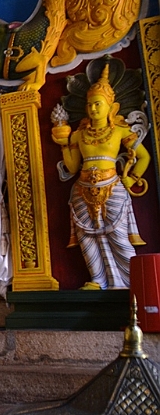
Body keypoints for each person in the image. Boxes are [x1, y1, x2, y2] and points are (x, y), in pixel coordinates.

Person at [51, 64, 150, 289]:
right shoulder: (78, 134)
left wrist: (132, 179)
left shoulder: (120, 131)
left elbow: (143, 157)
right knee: (87, 236)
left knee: (118, 235)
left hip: (112, 186)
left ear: (111, 107)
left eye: (98, 104)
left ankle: (132, 281)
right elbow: (74, 166)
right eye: (90, 104)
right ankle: (97, 279)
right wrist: (64, 146)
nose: (93, 108)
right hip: (81, 187)